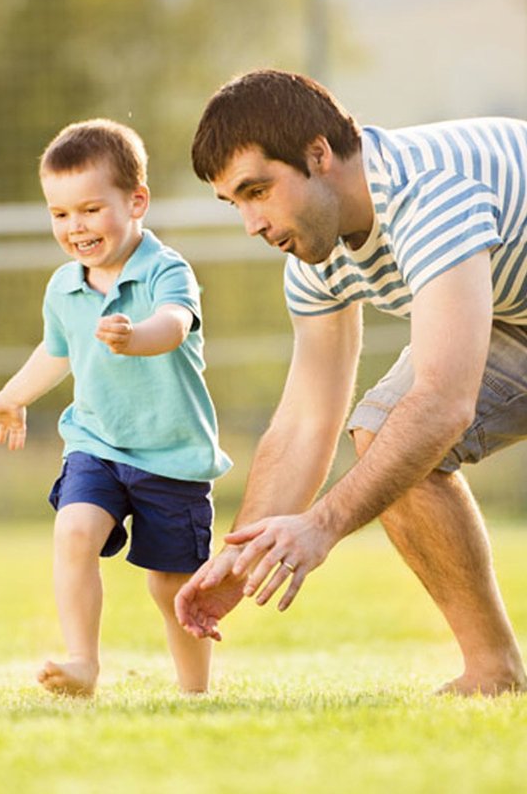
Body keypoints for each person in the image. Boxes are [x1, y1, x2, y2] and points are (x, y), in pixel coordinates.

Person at [174, 68, 527, 695]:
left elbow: (445, 402)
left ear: (318, 154)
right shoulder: (316, 251)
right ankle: (493, 673)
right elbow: (306, 420)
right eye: (236, 203)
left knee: (417, 424)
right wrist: (243, 553)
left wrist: (323, 524)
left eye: (258, 190)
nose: (252, 223)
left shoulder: (430, 196)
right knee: (389, 434)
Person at [0, 118, 231, 696]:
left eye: (90, 210)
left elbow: (174, 324)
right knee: (75, 530)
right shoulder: (63, 286)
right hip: (97, 443)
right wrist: (13, 396)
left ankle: (194, 689)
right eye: (60, 214)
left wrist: (135, 336)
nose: (75, 227)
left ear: (136, 202)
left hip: (172, 455)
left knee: (171, 584)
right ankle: (82, 663)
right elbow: (55, 351)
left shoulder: (166, 269)